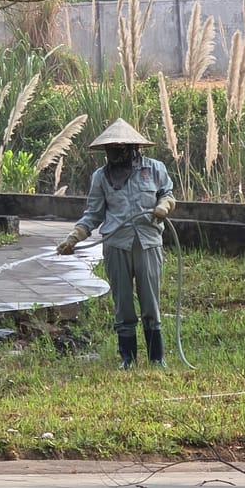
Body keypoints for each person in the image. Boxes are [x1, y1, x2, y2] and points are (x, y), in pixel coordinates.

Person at [56, 118, 176, 369]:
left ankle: (157, 358)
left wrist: (164, 205)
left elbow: (167, 193)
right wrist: (74, 237)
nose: (113, 154)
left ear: (132, 148)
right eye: (110, 150)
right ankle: (127, 358)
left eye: (118, 149)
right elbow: (93, 214)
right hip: (116, 244)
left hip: (148, 242)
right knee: (122, 303)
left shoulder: (154, 169)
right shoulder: (101, 177)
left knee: (150, 302)